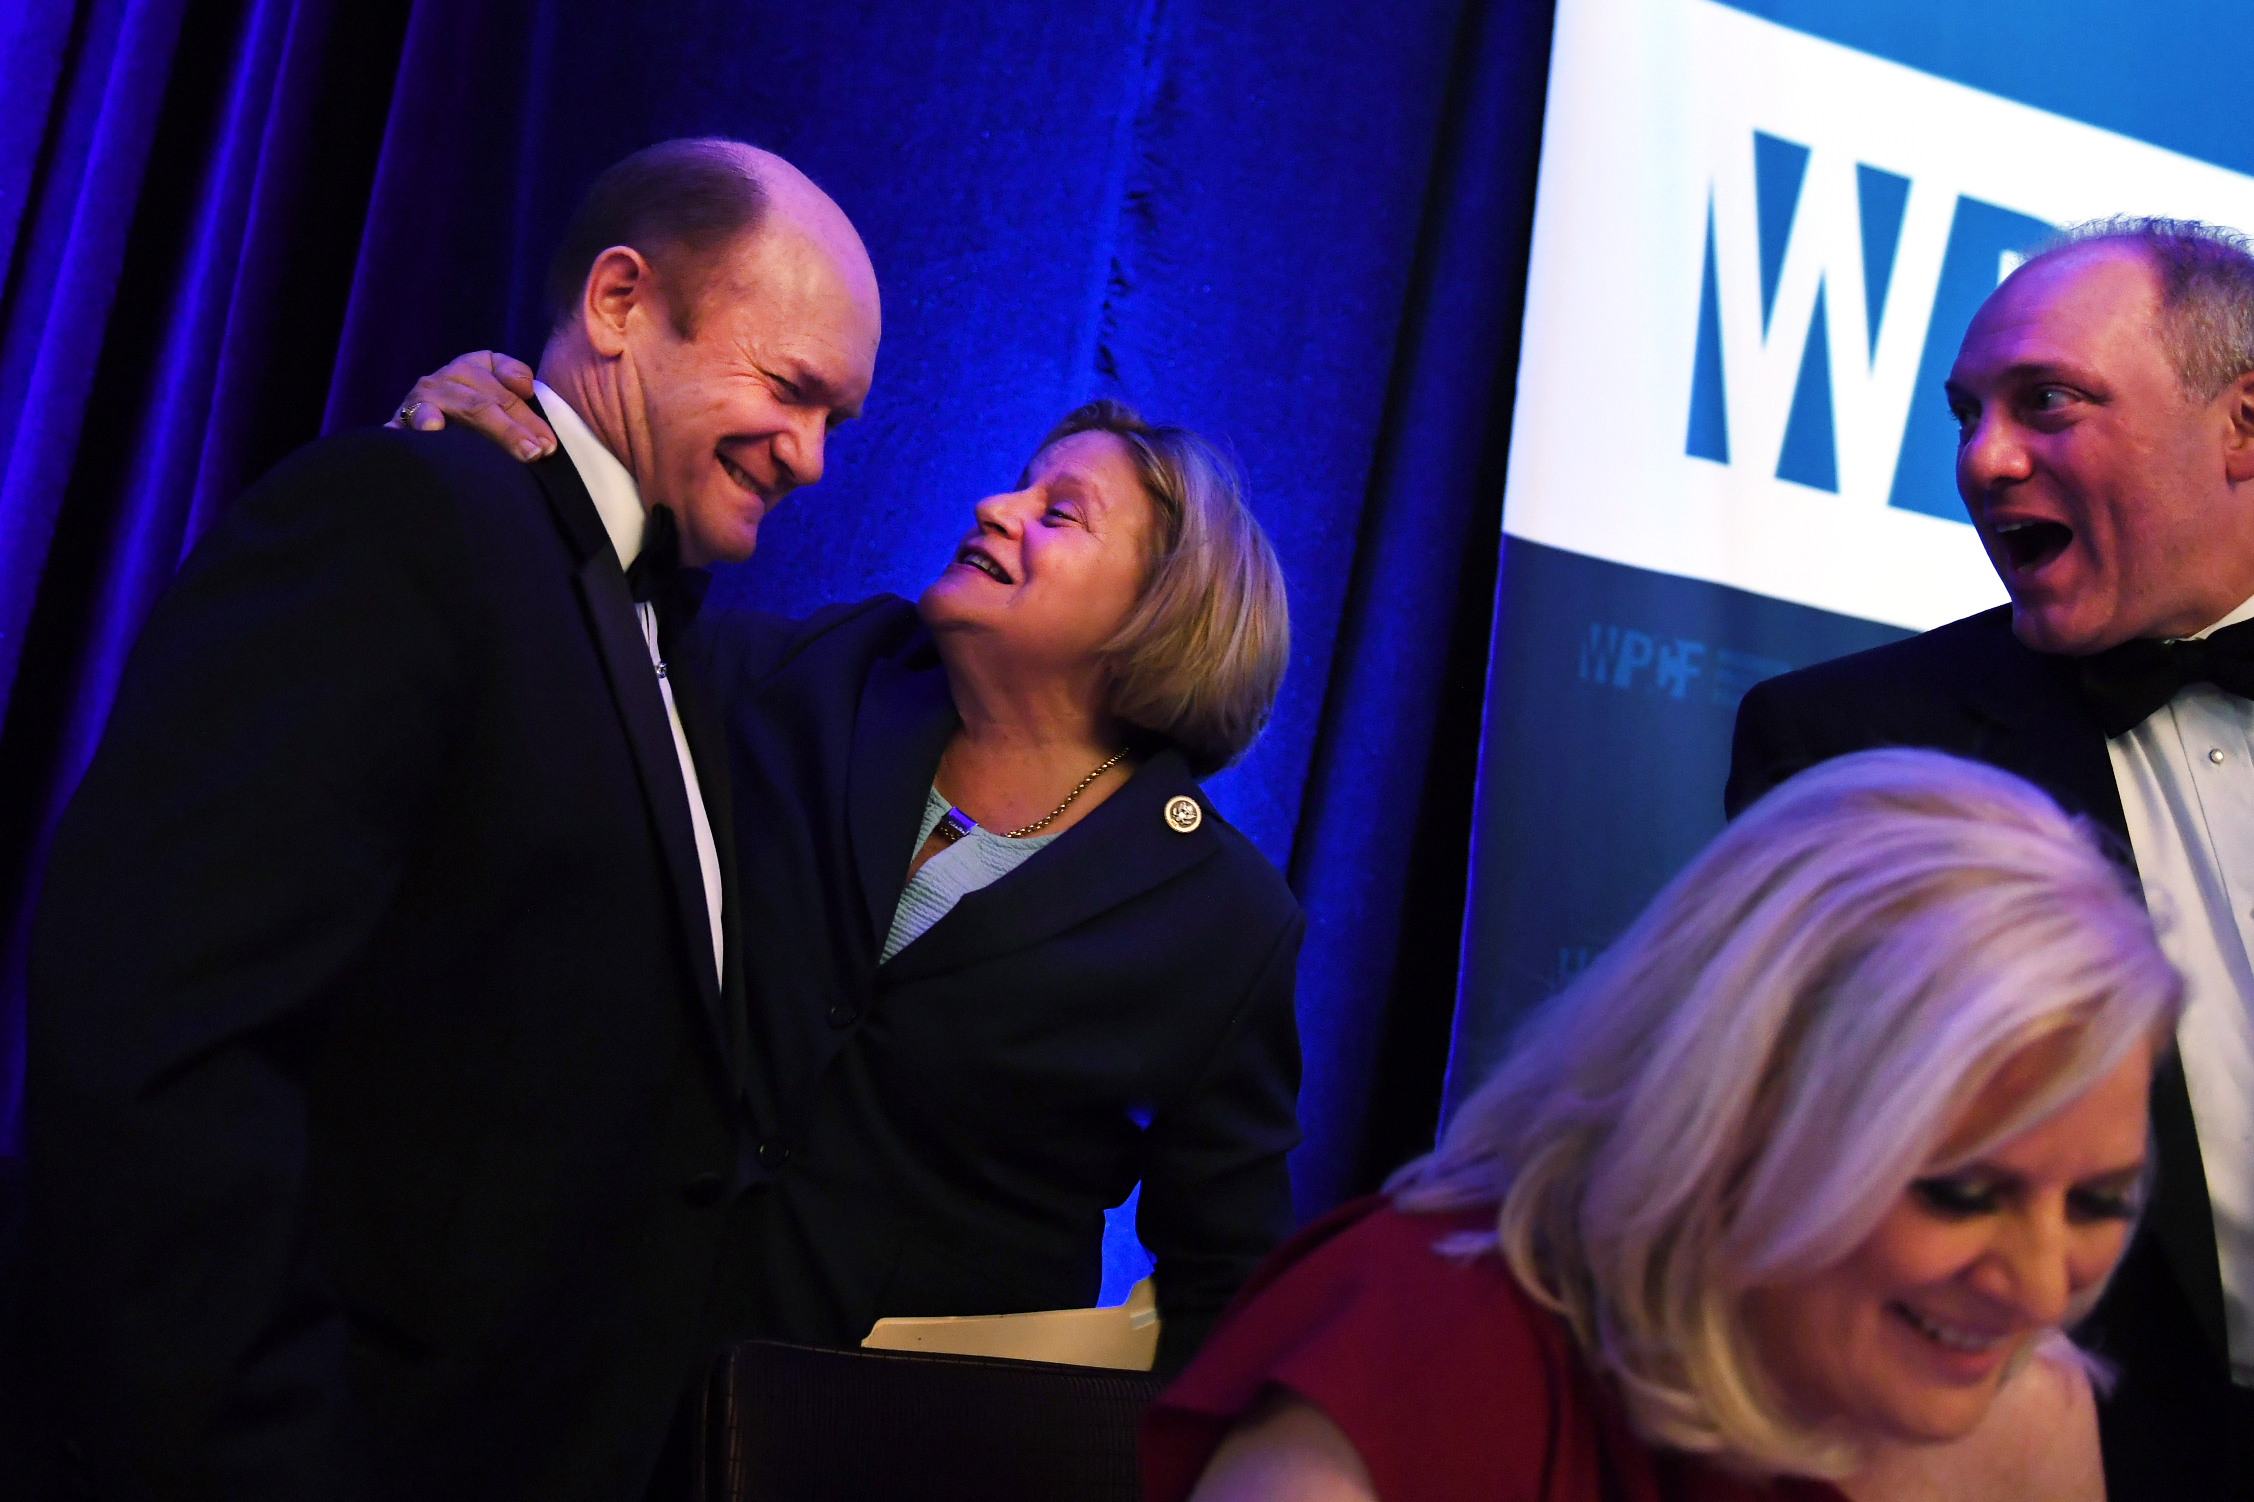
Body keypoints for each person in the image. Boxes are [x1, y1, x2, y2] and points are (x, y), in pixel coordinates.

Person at [21, 138, 877, 1498]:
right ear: (616, 302)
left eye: (841, 418)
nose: (815, 458)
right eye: (790, 390)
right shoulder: (407, 512)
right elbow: (160, 1037)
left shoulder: (682, 650)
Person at [393, 362, 1303, 1369]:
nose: (994, 506)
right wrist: (463, 463)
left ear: (1164, 609)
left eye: (1059, 512)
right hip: (566, 1357)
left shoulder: (1223, 920)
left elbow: (1222, 1291)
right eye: (1016, 482)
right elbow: (571, 647)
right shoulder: (830, 666)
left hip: (875, 1451)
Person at [1143, 749, 2180, 1502]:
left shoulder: (2023, 1409)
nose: (2042, 1287)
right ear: (1739, 1113)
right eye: (1962, 1190)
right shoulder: (1413, 1354)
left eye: (2096, 1200)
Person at [1727, 217, 2254, 1501]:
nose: (1984, 458)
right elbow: (1786, 1166)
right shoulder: (1853, 743)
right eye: (1965, 412)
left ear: (2242, 425)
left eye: (2047, 403)